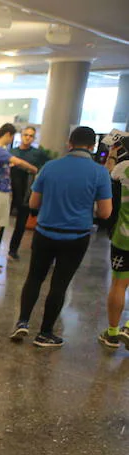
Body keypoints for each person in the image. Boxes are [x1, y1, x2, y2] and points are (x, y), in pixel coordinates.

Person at [10, 126, 112, 348]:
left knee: (34, 277)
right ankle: (45, 333)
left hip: (44, 233)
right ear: (92, 146)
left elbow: (34, 203)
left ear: (69, 143)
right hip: (75, 238)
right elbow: (105, 212)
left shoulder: (49, 167)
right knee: (59, 284)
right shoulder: (99, 173)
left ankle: (22, 322)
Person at [0, 123, 38, 270]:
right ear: (8, 135)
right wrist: (33, 168)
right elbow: (18, 161)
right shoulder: (0, 151)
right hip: (0, 192)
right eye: (12, 137)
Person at [0, 126, 49, 261]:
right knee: (1, 221)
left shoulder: (37, 154)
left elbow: (46, 167)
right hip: (9, 190)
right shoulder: (12, 151)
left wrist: (37, 174)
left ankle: (13, 250)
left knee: (21, 223)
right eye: (25, 135)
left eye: (30, 136)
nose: (27, 137)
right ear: (21, 136)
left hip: (26, 191)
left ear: (33, 138)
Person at [100, 144, 129, 348]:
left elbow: (106, 176)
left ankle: (112, 333)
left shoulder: (124, 167)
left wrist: (112, 154)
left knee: (118, 284)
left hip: (124, 237)